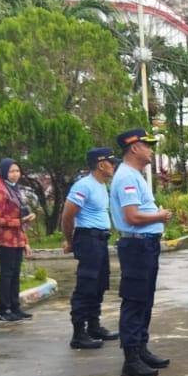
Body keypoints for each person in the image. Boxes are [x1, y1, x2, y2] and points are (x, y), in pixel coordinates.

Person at [110, 128, 175, 376]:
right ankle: (131, 359)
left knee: (145, 300)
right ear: (134, 148)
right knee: (135, 301)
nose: (151, 150)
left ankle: (141, 348)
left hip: (145, 245)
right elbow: (132, 217)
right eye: (147, 145)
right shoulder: (127, 177)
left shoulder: (134, 175)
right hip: (136, 246)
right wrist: (159, 216)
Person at [62, 147, 123, 350]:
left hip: (99, 239)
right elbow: (68, 215)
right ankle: (79, 333)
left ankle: (94, 326)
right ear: (101, 164)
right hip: (88, 238)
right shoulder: (84, 186)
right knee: (86, 285)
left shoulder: (100, 185)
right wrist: (69, 240)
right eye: (111, 162)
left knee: (99, 284)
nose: (114, 166)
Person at [0, 158, 32, 322]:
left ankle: (15, 307)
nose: (15, 174)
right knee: (7, 274)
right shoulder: (0, 191)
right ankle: (4, 309)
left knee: (15, 274)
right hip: (5, 239)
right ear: (4, 173)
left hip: (17, 238)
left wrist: (25, 239)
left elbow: (19, 215)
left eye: (17, 171)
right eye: (11, 171)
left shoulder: (14, 189)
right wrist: (19, 222)